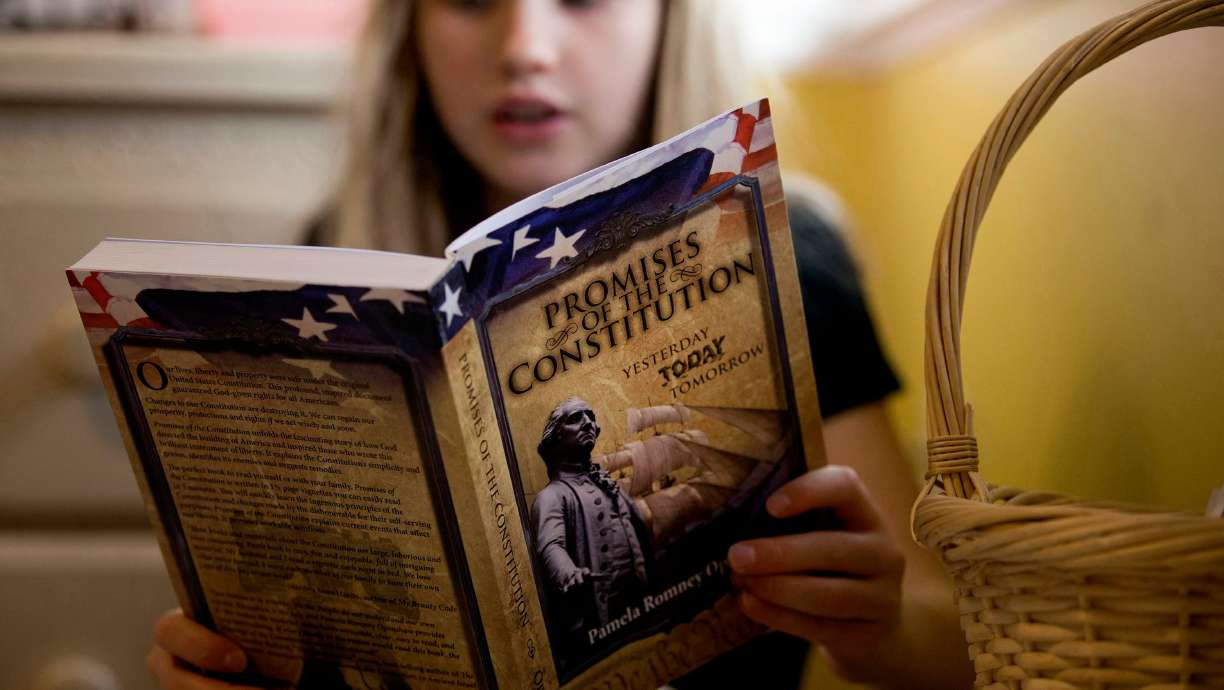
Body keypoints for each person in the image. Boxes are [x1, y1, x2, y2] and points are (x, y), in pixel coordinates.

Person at [145, 1, 971, 689]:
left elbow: (957, 647)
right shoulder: (333, 269)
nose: (525, 48)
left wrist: (884, 629)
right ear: (408, 29)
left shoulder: (791, 253)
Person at [531, 397, 653, 673]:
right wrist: (569, 574)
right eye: (575, 418)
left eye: (590, 416)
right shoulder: (552, 496)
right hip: (600, 615)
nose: (588, 422)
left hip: (642, 602)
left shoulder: (611, 485)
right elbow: (551, 546)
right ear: (557, 436)